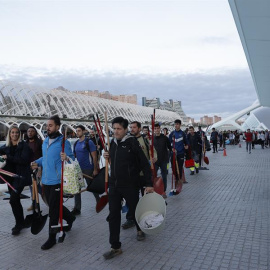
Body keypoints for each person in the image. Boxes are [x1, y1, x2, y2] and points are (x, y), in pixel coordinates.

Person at [103, 117, 154, 260]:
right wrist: (106, 155)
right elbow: (112, 160)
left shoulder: (132, 143)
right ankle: (115, 246)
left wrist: (149, 183)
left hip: (131, 184)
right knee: (113, 215)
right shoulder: (112, 143)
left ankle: (139, 228)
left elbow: (145, 164)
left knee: (135, 209)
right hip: (114, 184)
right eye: (114, 128)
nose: (116, 131)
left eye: (119, 128)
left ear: (125, 129)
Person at [31, 115, 76, 250]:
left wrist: (66, 157)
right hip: (45, 180)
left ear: (57, 126)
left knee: (53, 210)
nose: (47, 128)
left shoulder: (64, 143)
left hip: (57, 181)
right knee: (53, 205)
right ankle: (70, 218)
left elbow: (72, 159)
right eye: (47, 126)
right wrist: (36, 162)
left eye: (50, 125)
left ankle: (52, 238)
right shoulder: (45, 142)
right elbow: (45, 158)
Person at [122, 121, 157, 229]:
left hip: (143, 175)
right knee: (131, 198)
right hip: (131, 175)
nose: (132, 129)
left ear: (140, 128)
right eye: (130, 127)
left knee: (145, 197)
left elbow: (153, 152)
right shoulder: (126, 141)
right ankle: (130, 218)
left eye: (134, 127)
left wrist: (154, 158)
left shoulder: (145, 141)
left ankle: (145, 218)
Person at [0, 125, 32, 235]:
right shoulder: (4, 147)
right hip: (10, 178)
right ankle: (21, 222)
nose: (14, 134)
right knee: (15, 200)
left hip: (20, 177)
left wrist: (8, 157)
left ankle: (18, 224)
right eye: (12, 132)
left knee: (13, 199)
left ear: (19, 134)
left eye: (16, 132)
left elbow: (24, 160)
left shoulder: (24, 146)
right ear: (9, 134)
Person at [72, 125, 99, 215]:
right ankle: (77, 208)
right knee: (77, 188)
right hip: (78, 169)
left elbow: (94, 156)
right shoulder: (76, 143)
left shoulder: (89, 142)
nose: (77, 132)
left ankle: (98, 201)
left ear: (83, 131)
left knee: (91, 187)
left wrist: (95, 169)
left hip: (88, 168)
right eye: (76, 131)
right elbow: (74, 157)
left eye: (79, 130)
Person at [25, 126, 43, 211]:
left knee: (37, 186)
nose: (30, 133)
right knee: (31, 186)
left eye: (32, 131)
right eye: (28, 131)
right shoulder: (25, 143)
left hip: (38, 167)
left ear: (35, 133)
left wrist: (41, 169)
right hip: (29, 167)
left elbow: (44, 156)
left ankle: (48, 198)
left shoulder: (40, 143)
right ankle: (34, 203)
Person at [154, 123, 172, 197]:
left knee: (164, 176)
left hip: (163, 160)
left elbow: (169, 147)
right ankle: (155, 191)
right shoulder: (152, 138)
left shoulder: (164, 138)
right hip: (155, 161)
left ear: (160, 129)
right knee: (154, 176)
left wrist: (172, 150)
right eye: (155, 128)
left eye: (158, 128)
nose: (156, 130)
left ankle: (163, 191)